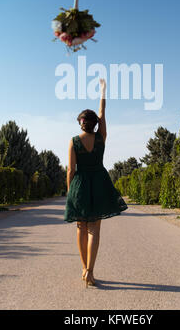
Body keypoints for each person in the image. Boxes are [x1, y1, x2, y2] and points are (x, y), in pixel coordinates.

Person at [63, 78, 128, 287]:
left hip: (80, 185)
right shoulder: (101, 137)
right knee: (94, 229)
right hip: (99, 183)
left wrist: (69, 191)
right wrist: (103, 91)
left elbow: (71, 170)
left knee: (81, 227)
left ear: (80, 123)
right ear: (95, 123)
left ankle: (84, 269)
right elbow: (103, 113)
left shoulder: (73, 141)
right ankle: (90, 270)